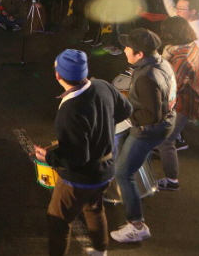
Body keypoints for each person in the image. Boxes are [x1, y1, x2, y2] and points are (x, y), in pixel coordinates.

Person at [34, 50, 132, 256]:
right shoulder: (102, 85)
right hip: (105, 170)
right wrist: (101, 125)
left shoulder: (70, 111)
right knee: (94, 208)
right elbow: (126, 109)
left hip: (80, 179)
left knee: (58, 220)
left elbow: (77, 158)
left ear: (58, 75)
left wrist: (48, 156)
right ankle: (99, 251)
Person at [111, 28, 176, 243]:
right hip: (165, 124)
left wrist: (127, 116)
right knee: (137, 161)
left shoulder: (146, 77)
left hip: (147, 130)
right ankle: (143, 191)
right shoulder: (161, 63)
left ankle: (136, 225)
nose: (124, 50)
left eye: (128, 48)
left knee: (122, 172)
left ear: (140, 54)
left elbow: (151, 115)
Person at [155, 17, 199, 191]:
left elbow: (171, 87)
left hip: (183, 103)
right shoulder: (191, 46)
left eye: (165, 32)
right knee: (172, 132)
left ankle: (171, 180)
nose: (163, 35)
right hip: (191, 97)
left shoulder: (181, 58)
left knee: (165, 142)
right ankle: (179, 137)